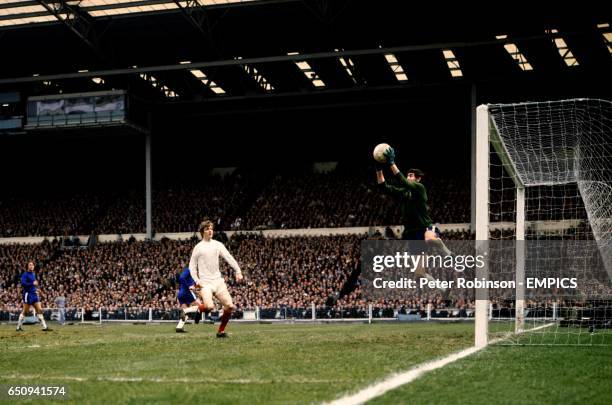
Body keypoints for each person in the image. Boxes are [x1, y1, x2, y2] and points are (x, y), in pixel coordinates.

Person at [375, 146, 452, 285]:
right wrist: (378, 169)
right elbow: (383, 186)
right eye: (408, 175)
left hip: (425, 227)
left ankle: (449, 254)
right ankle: (442, 289)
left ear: (418, 179)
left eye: (411, 175)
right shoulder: (403, 192)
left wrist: (391, 163)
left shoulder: (419, 189)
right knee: (419, 274)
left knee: (430, 239)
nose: (408, 177)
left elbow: (402, 180)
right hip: (411, 234)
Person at [189, 220, 243, 338]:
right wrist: (197, 280)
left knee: (229, 306)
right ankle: (200, 309)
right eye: (208, 229)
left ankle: (220, 331)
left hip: (218, 281)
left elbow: (229, 257)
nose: (210, 230)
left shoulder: (218, 244)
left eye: (211, 228)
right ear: (203, 231)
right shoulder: (198, 247)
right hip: (205, 283)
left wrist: (238, 271)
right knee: (209, 307)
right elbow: (192, 266)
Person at [16, 261, 51, 332]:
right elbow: (23, 284)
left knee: (39, 310)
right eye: (30, 265)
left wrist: (38, 289)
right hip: (28, 295)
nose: (31, 266)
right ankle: (18, 327)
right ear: (27, 266)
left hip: (34, 294)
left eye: (32, 265)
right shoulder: (25, 274)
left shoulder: (33, 274)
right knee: (25, 312)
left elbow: (34, 284)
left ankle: (45, 327)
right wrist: (32, 283)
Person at [175, 266, 203, 333]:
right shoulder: (190, 269)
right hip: (187, 293)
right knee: (201, 306)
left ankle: (179, 327)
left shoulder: (193, 278)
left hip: (181, 294)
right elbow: (181, 278)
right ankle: (185, 311)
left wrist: (199, 290)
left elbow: (196, 287)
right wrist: (189, 287)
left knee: (186, 313)